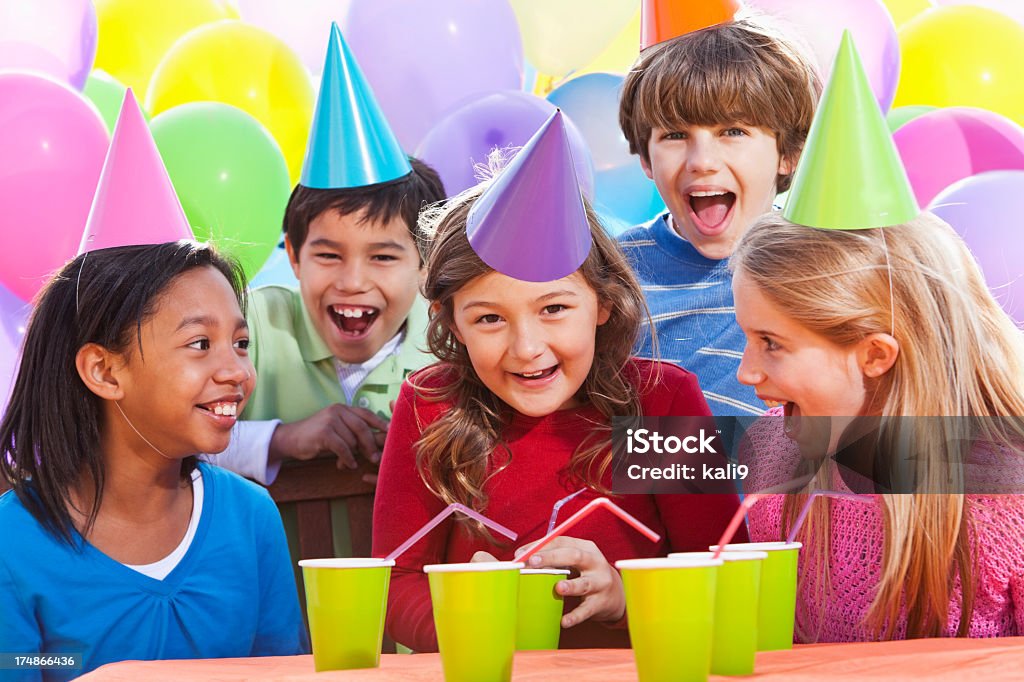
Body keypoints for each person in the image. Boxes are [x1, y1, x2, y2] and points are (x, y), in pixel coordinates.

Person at [371, 114, 745, 652]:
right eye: (489, 319)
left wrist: (624, 599)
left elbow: (721, 578)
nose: (526, 348)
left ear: (602, 304)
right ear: (451, 321)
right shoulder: (432, 407)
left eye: (553, 309)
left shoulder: (659, 405)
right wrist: (467, 616)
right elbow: (396, 578)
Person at [0, 242, 308, 680]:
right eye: (200, 343)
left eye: (241, 343)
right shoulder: (11, 544)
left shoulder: (251, 515)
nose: (238, 371)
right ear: (105, 372)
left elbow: (283, 671)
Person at [733, 210, 1024, 641]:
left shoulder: (1004, 499)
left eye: (771, 343)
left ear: (874, 355)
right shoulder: (774, 457)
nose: (745, 372)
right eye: (747, 338)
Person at [212, 23, 447, 496]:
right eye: (328, 255)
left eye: (382, 256)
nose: (353, 281)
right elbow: (160, 437)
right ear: (294, 256)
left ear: (426, 263)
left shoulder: (453, 341)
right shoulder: (244, 326)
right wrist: (282, 438)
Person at [616, 15, 821, 416]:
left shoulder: (827, 262)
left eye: (733, 131)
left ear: (789, 153)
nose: (702, 161)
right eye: (674, 135)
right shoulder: (610, 275)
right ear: (645, 158)